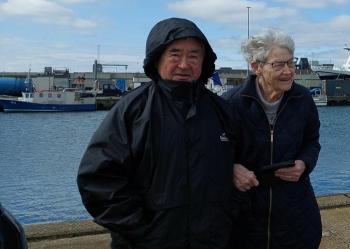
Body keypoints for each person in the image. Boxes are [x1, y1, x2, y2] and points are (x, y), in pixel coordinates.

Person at [76, 17, 235, 249]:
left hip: (212, 241)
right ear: (157, 57)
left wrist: (227, 219)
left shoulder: (221, 110)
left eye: (193, 55)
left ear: (204, 61)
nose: (184, 64)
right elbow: (97, 179)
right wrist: (141, 230)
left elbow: (244, 167)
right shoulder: (132, 110)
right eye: (175, 54)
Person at [223, 29, 322, 249]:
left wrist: (304, 163)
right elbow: (212, 150)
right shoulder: (231, 104)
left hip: (295, 210)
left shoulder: (303, 100)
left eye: (291, 63)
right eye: (278, 65)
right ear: (256, 67)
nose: (288, 71)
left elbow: (312, 141)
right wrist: (231, 168)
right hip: (246, 215)